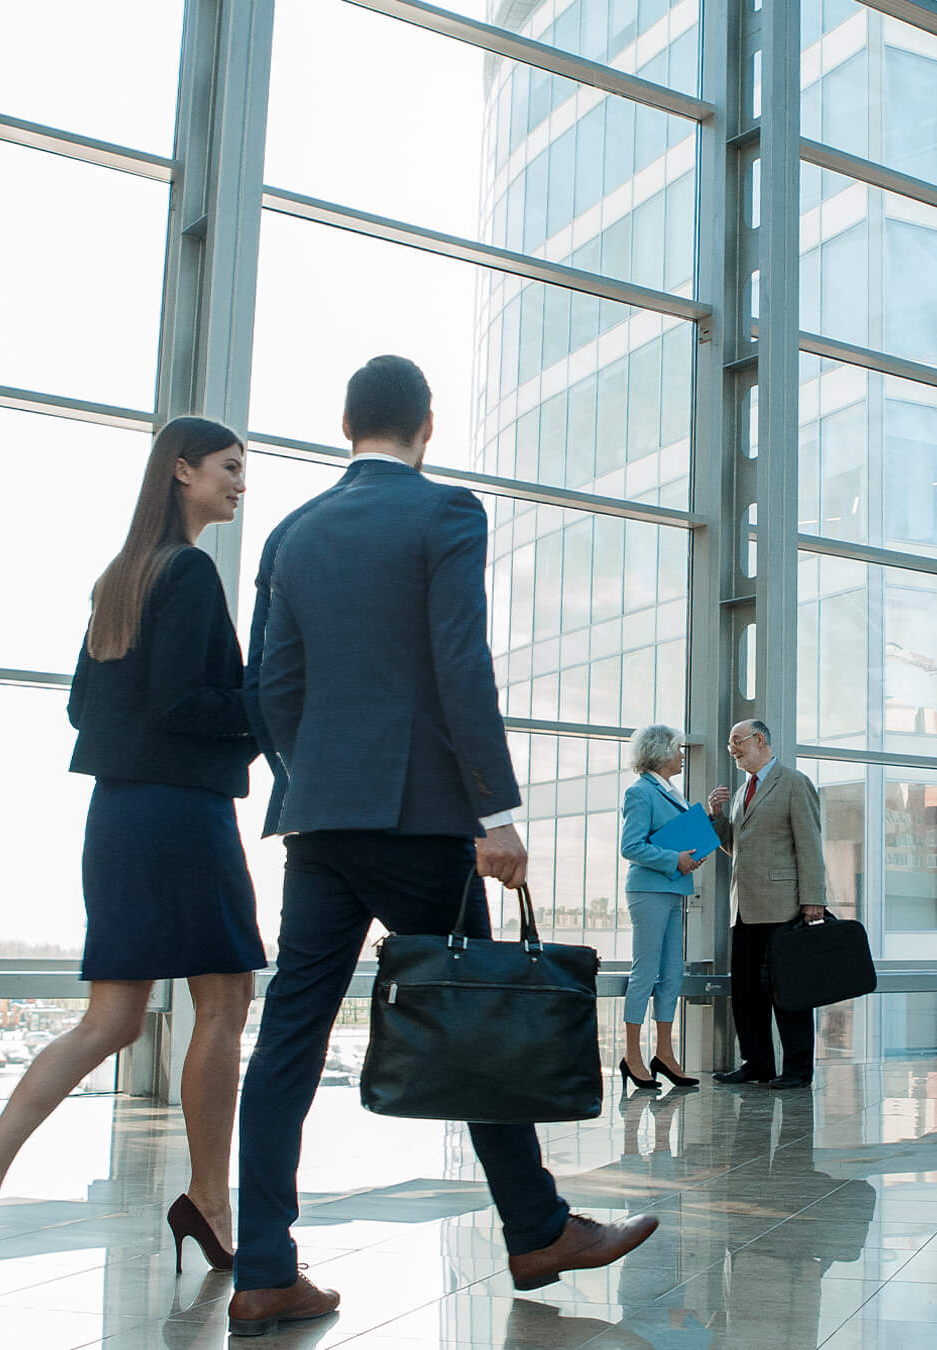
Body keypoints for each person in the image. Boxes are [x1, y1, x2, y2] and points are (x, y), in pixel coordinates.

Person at [226, 357, 656, 1337]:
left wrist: (315, 772)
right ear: (426, 425)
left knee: (288, 1040)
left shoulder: (293, 533)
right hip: (420, 817)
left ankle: (264, 1269)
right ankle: (537, 1230)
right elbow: (462, 662)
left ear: (346, 425)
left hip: (319, 821)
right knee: (476, 1017)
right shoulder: (446, 513)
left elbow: (268, 689)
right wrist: (492, 810)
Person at [0, 417, 262, 1291]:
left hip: (119, 816)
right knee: (224, 1001)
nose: (240, 482)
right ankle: (211, 1205)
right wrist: (269, 705)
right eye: (228, 466)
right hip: (182, 815)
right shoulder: (189, 572)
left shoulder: (120, 578)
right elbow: (184, 704)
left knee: (110, 1020)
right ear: (182, 471)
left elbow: (79, 708)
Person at [702, 719, 828, 1090]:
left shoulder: (794, 783)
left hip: (783, 907)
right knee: (746, 992)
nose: (732, 750)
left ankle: (798, 1071)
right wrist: (716, 817)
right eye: (730, 745)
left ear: (759, 739)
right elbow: (734, 848)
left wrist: (813, 899)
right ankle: (757, 1063)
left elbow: (810, 844)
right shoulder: (743, 792)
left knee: (789, 990)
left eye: (736, 742)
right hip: (744, 908)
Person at [617, 723, 704, 1091]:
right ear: (661, 752)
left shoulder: (670, 791)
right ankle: (632, 1055)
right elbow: (630, 846)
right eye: (678, 749)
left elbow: (676, 838)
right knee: (646, 970)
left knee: (671, 972)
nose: (682, 755)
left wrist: (693, 848)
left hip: (673, 888)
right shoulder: (640, 792)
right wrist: (674, 859)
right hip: (649, 890)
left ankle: (665, 1054)